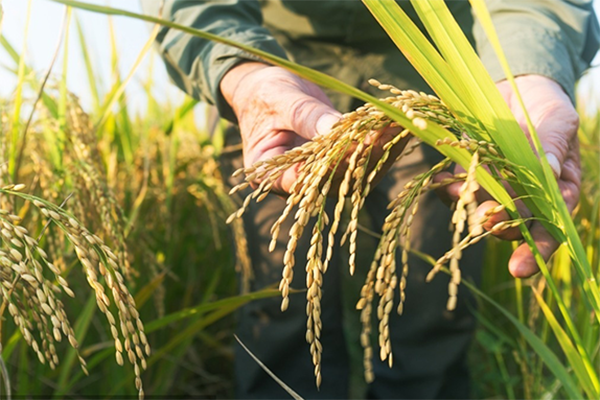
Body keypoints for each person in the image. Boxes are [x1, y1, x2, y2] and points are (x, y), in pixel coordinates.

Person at [141, 0, 600, 399]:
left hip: (433, 79)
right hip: (276, 69)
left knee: (428, 300)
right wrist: (241, 71)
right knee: (282, 301)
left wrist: (530, 76)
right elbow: (194, 5)